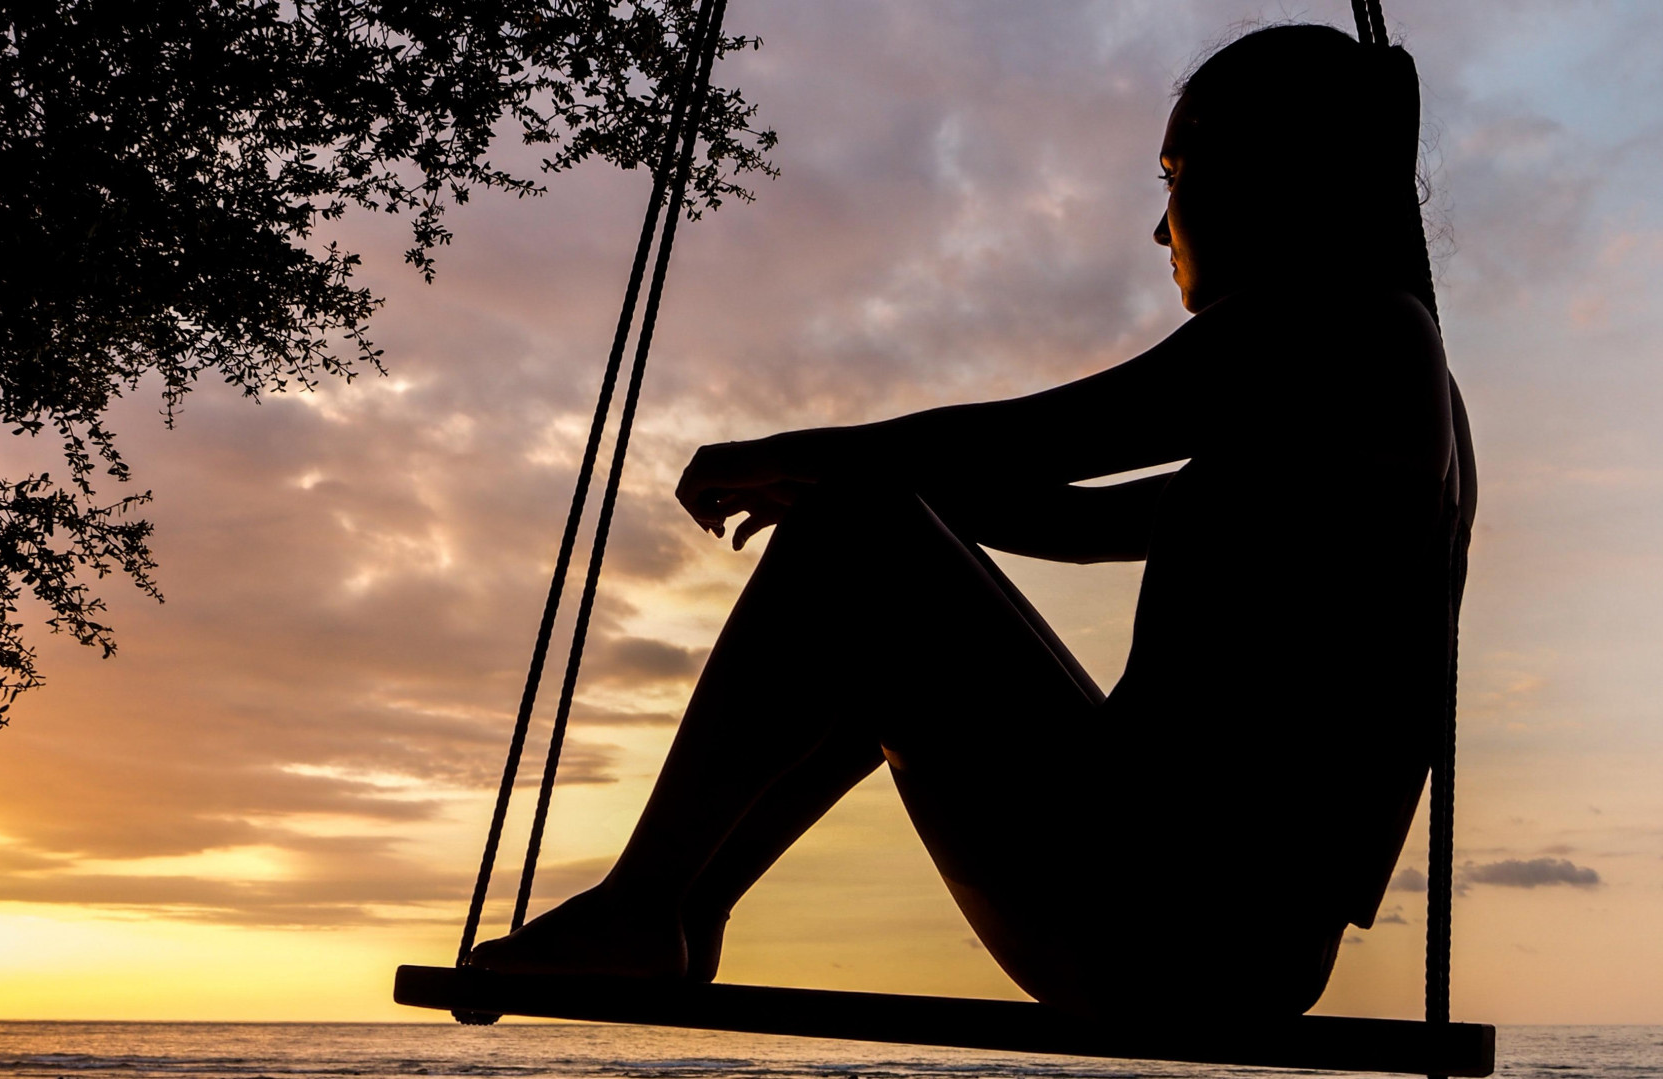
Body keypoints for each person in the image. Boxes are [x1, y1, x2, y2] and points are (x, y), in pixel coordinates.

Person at [467, 22, 1477, 1019]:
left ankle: (647, 903)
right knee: (871, 543)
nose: (1160, 228)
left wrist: (804, 461)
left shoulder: (1342, 330)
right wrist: (858, 488)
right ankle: (682, 910)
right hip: (1230, 936)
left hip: (1168, 914)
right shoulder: (1387, 382)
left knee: (861, 531)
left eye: (1173, 175)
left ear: (1266, 167)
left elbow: (1049, 438)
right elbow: (1077, 520)